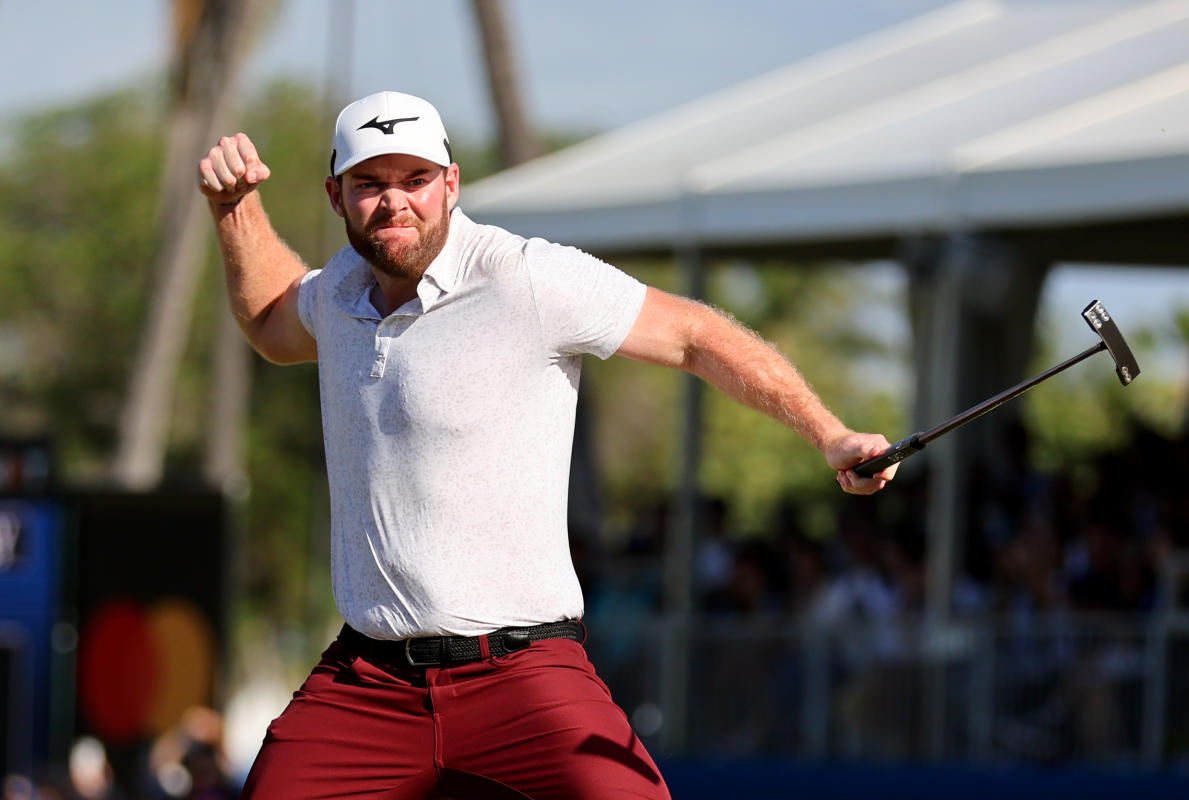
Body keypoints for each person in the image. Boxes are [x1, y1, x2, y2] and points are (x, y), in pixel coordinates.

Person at [198, 90, 898, 800]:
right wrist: (235, 208)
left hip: (522, 672)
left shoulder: (527, 277)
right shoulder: (340, 291)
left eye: (415, 181)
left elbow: (696, 335)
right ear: (335, 196)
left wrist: (830, 433)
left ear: (451, 183)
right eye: (370, 185)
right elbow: (271, 320)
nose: (394, 203)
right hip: (369, 684)